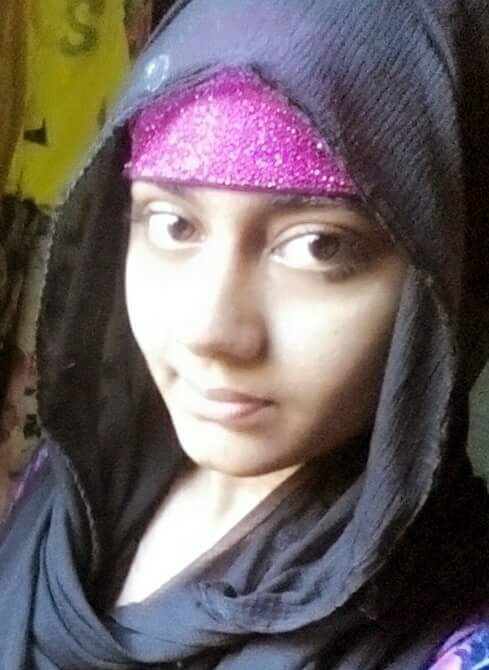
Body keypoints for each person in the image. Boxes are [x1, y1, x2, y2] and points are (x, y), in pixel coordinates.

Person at [1, 1, 488, 668]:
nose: (210, 332)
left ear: (451, 275)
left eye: (319, 246)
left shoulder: (452, 636)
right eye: (174, 225)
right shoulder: (75, 472)